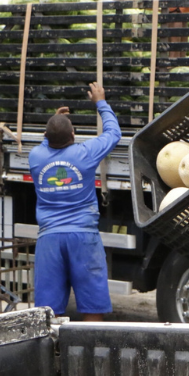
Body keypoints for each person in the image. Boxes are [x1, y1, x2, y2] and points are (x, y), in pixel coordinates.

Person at [29, 83, 121, 322]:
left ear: (47, 137)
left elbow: (46, 140)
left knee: (49, 314)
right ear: (73, 135)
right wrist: (100, 102)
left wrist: (54, 122)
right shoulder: (85, 154)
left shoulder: (36, 157)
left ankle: (52, 356)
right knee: (92, 307)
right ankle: (92, 355)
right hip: (83, 238)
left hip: (49, 239)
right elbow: (113, 133)